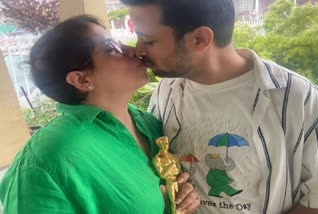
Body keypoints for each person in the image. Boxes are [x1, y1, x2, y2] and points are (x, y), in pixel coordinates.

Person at [120, 0, 318, 213]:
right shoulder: (166, 91)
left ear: (200, 39)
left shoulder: (296, 98)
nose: (138, 49)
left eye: (148, 40)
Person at [0, 15, 200, 214]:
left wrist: (181, 198)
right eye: (111, 48)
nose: (134, 50)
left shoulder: (148, 123)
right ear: (81, 80)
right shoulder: (47, 159)